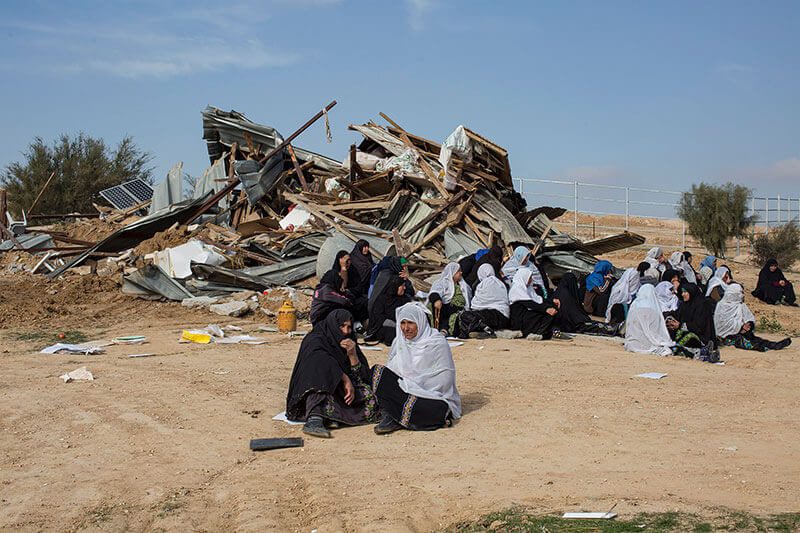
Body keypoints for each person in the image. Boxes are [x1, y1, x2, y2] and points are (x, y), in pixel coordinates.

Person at [286, 310, 379, 438]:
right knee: (319, 383)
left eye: (349, 327)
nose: (346, 331)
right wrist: (344, 378)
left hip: (343, 391)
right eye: (342, 326)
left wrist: (352, 355)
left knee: (370, 394)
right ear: (333, 325)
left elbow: (362, 378)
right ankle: (315, 419)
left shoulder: (349, 341)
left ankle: (332, 418)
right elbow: (318, 361)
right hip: (318, 387)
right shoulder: (315, 339)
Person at [372, 302, 461, 434]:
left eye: (410, 323)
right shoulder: (399, 342)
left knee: (439, 409)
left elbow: (444, 382)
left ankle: (394, 416)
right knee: (377, 372)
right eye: (403, 323)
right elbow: (392, 373)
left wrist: (413, 385)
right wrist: (404, 386)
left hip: (429, 396)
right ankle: (399, 416)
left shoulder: (437, 343)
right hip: (403, 391)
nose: (406, 328)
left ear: (420, 322)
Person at [714, 283, 792, 352]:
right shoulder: (721, 306)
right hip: (726, 336)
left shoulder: (741, 305)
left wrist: (749, 324)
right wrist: (741, 327)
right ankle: (761, 347)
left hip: (744, 332)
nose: (742, 295)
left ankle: (774, 345)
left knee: (757, 339)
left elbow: (749, 317)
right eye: (740, 293)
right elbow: (723, 324)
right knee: (742, 341)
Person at [508, 267, 569, 340]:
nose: (531, 280)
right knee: (547, 313)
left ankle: (550, 331)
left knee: (553, 308)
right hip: (520, 320)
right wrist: (546, 309)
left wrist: (552, 301)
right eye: (529, 277)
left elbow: (538, 300)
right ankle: (539, 332)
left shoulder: (528, 288)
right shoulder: (517, 289)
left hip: (528, 314)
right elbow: (530, 304)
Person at [553, 272, 618, 336]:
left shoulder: (558, 292)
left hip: (566, 322)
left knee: (592, 324)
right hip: (570, 323)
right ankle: (610, 330)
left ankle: (609, 329)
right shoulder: (566, 295)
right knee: (590, 326)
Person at [457, 264, 510, 338]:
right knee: (473, 318)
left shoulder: (483, 284)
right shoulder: (500, 283)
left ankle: (485, 329)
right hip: (504, 318)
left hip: (493, 316)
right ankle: (483, 329)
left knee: (465, 315)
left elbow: (475, 304)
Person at [624, 284, 675, 356]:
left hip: (632, 343)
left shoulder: (634, 305)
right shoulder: (653, 307)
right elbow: (656, 329)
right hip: (649, 342)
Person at [365, 275, 412, 345]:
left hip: (403, 326)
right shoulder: (382, 299)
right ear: (395, 287)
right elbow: (379, 318)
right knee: (391, 333)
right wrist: (396, 325)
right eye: (402, 286)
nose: (404, 288)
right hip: (384, 327)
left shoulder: (405, 299)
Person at [428, 263, 472, 336]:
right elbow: (434, 293)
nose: (461, 273)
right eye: (458, 271)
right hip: (446, 308)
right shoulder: (441, 283)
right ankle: (443, 330)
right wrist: (436, 300)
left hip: (460, 309)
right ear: (452, 272)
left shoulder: (463, 285)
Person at [676, 283, 717, 347]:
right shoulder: (684, 305)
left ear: (691, 292)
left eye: (685, 292)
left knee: (688, 338)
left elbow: (699, 326)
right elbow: (677, 315)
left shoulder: (702, 305)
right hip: (686, 331)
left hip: (701, 337)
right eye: (682, 292)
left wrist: (681, 325)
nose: (682, 294)